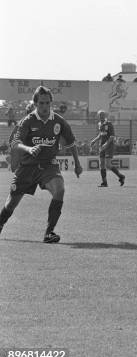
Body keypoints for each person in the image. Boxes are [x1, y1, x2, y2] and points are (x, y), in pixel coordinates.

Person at [0, 86, 82, 243]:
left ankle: (49, 232)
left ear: (51, 103)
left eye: (47, 103)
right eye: (41, 103)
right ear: (35, 103)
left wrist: (77, 164)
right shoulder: (27, 121)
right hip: (27, 167)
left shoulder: (59, 121)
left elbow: (71, 144)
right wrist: (29, 149)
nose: (45, 106)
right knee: (11, 204)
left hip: (48, 165)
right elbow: (16, 143)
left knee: (60, 190)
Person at [90, 111, 125, 187]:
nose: (101, 116)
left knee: (108, 164)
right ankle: (104, 182)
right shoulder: (99, 124)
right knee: (101, 164)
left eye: (102, 115)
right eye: (100, 115)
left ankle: (121, 176)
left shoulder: (109, 124)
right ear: (98, 116)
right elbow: (100, 135)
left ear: (105, 116)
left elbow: (112, 136)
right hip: (102, 146)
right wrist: (94, 140)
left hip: (109, 146)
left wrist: (106, 144)